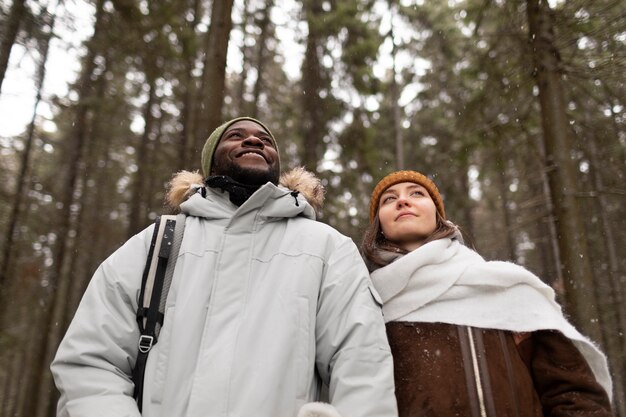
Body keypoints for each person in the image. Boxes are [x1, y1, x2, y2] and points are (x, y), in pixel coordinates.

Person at [51, 117, 398, 417]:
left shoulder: (327, 248)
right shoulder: (156, 244)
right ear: (209, 164)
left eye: (264, 141)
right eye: (236, 136)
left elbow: (362, 365)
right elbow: (91, 363)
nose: (252, 140)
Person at [360, 170, 613, 417]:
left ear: (438, 216)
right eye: (389, 199)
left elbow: (574, 396)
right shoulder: (365, 303)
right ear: (378, 223)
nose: (403, 200)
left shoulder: (503, 287)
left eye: (417, 193)